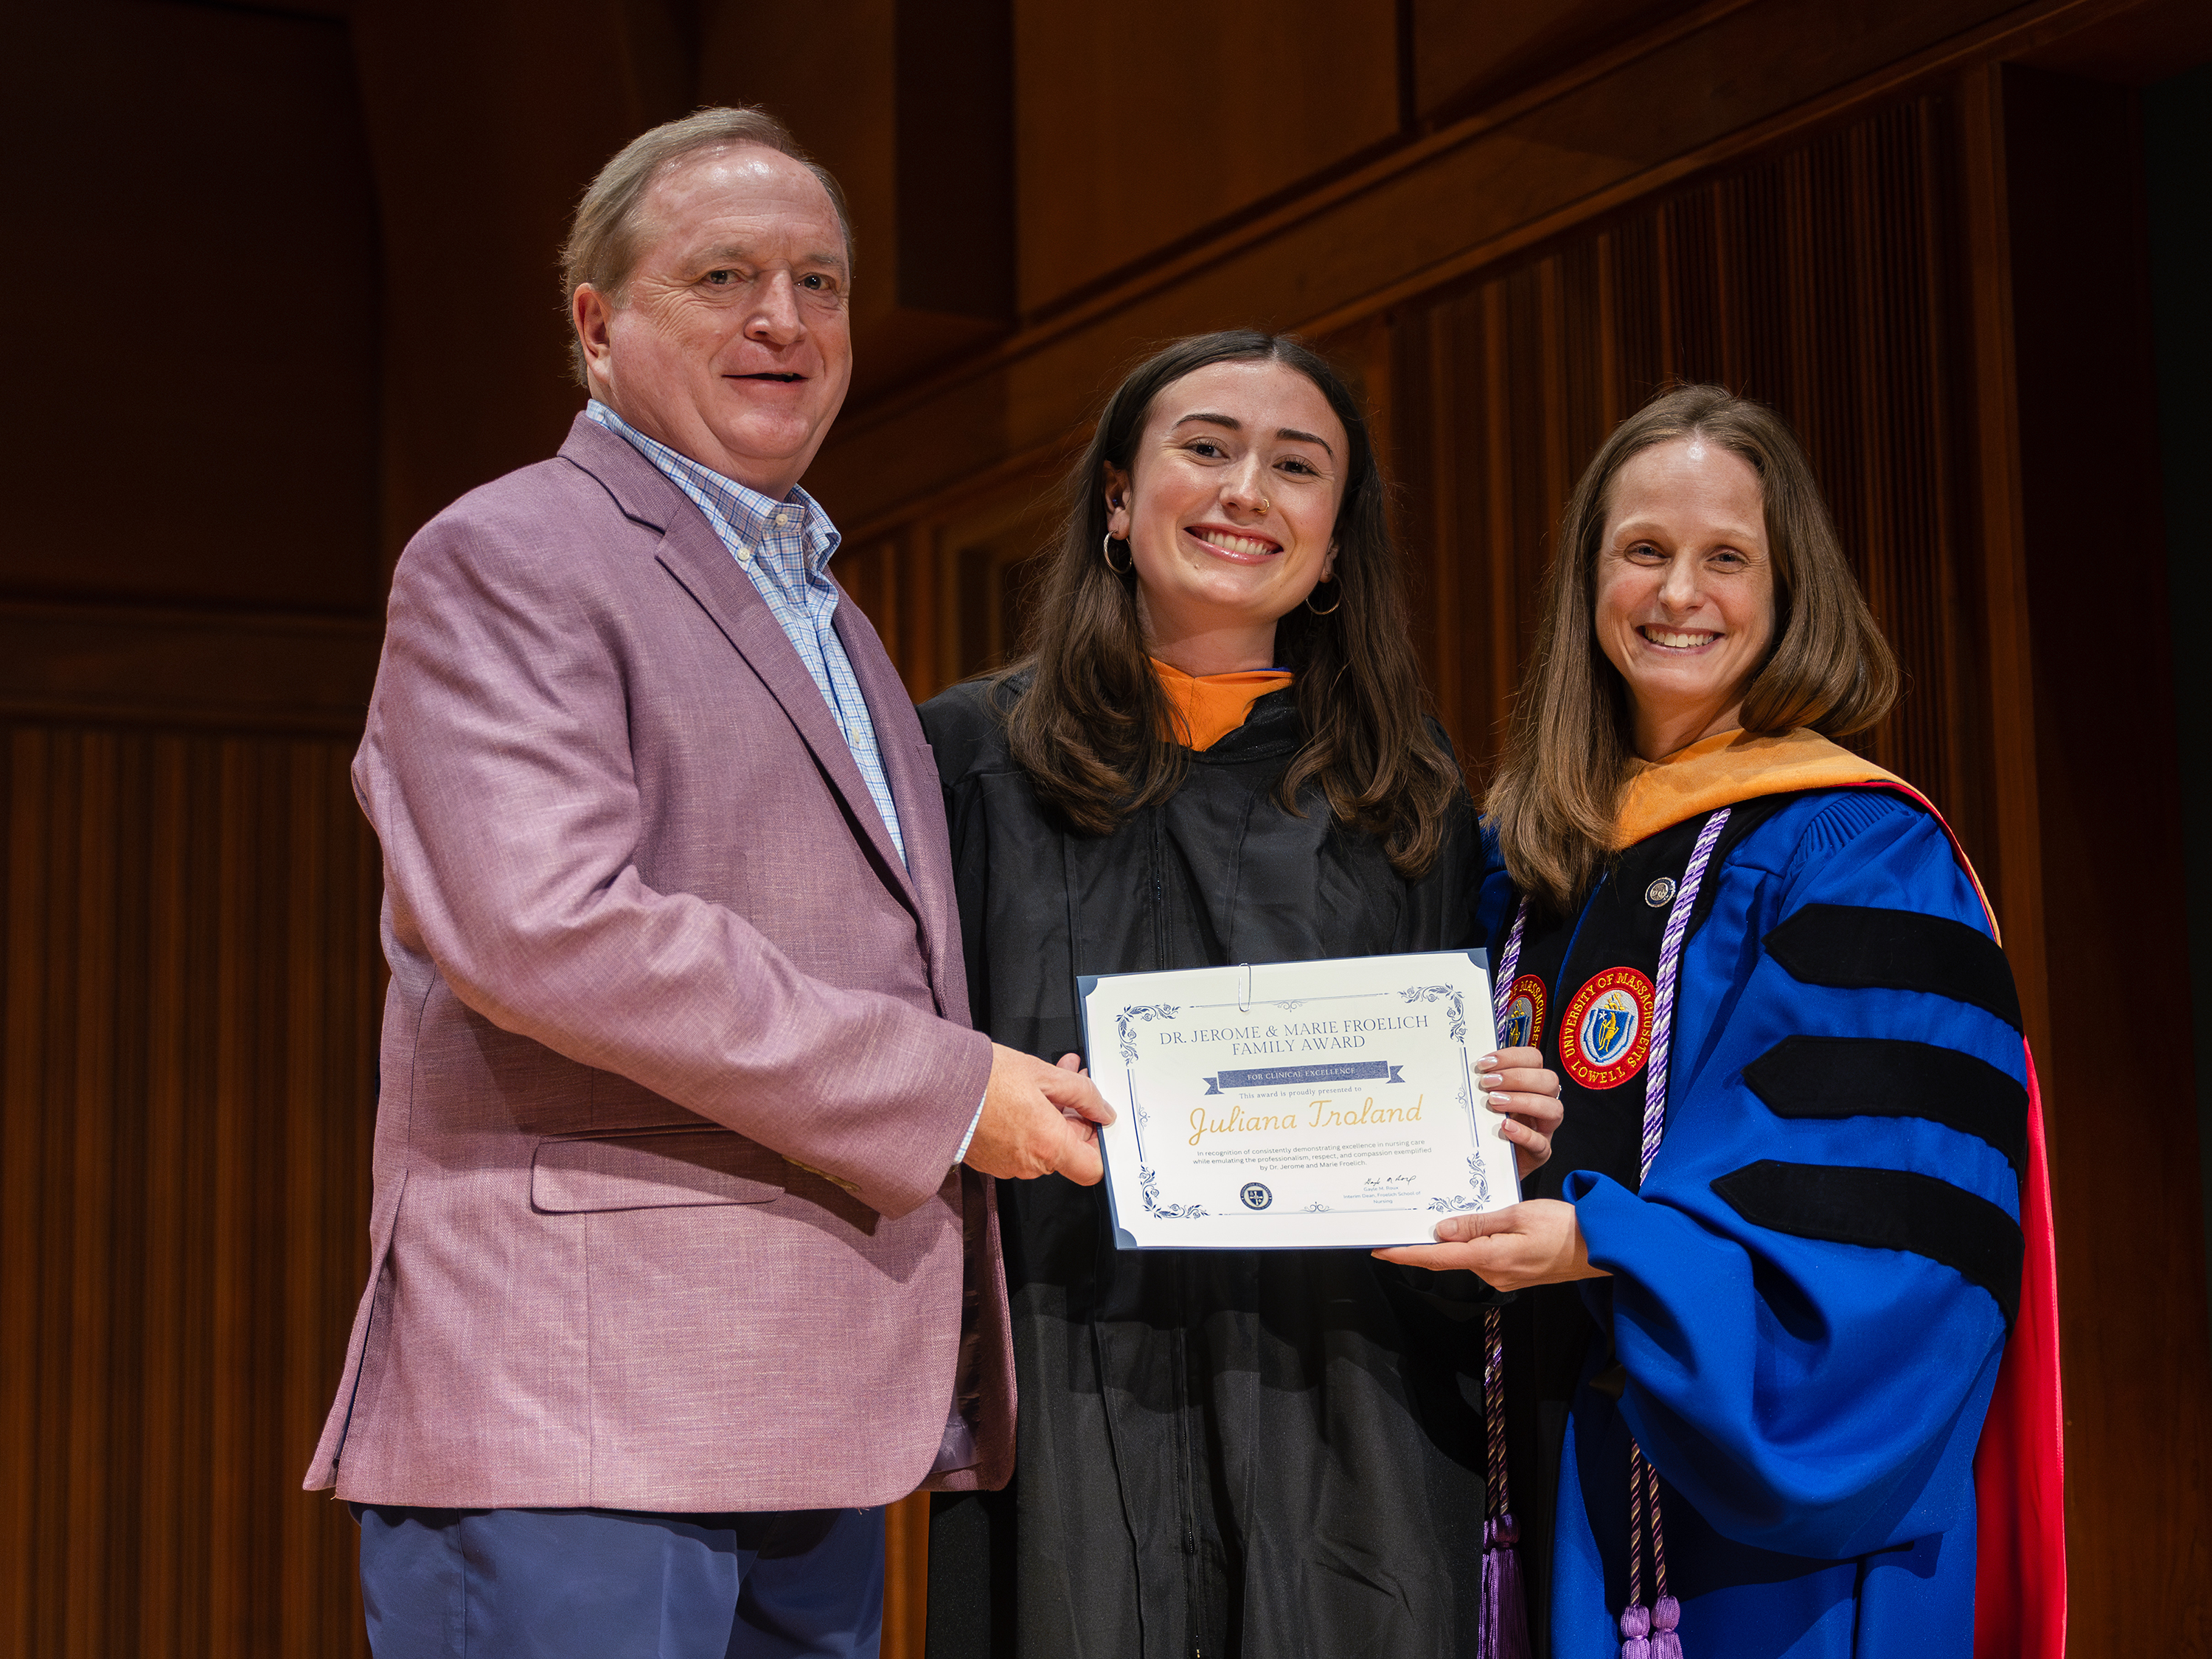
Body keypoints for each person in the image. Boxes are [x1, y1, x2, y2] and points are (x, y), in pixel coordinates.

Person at [302, 107, 1114, 1659]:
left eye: (819, 283)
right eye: (725, 277)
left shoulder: (833, 612)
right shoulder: (508, 554)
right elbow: (550, 930)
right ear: (595, 326)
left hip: (807, 1406)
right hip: (580, 1411)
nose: (782, 321)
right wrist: (951, 1095)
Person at [1380, 385, 2066, 1658]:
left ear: (1788, 586)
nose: (1678, 593)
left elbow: (1886, 1220)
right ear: (1589, 584)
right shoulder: (1521, 866)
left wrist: (1608, 1242)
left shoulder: (1858, 851)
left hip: (1758, 1546)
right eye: (1643, 551)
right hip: (1536, 1475)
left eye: (1725, 558)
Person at [918, 330, 1565, 1659]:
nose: (1244, 491)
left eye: (1296, 466)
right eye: (1204, 449)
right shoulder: (973, 760)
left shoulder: (1408, 796)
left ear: (1336, 542)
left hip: (1349, 1401)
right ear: (1117, 495)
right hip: (1068, 1365)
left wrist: (1495, 1131)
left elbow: (1454, 1176)